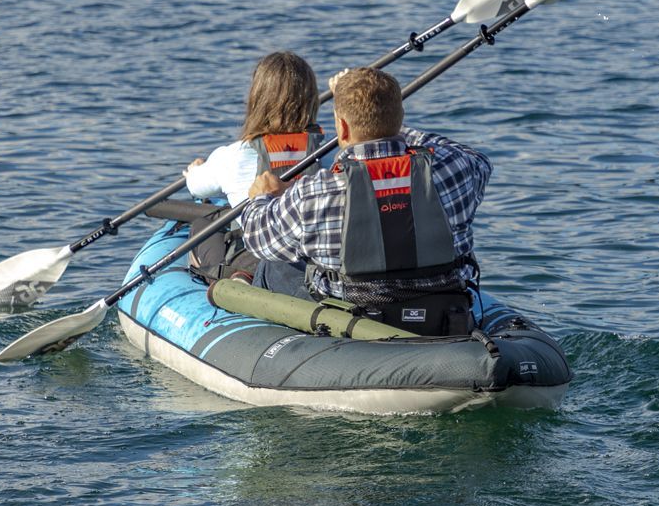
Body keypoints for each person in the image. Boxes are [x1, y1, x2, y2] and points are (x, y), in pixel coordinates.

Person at [240, 66, 492, 335]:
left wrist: (261, 197)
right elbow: (473, 157)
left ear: (343, 127)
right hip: (440, 311)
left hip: (354, 320)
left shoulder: (313, 192)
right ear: (400, 117)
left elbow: (256, 237)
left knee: (273, 265)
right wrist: (390, 122)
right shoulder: (456, 169)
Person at [183, 51, 324, 281]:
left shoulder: (232, 156)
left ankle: (234, 281)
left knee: (201, 226)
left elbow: (196, 187)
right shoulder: (326, 153)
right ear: (312, 100)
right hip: (313, 255)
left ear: (256, 100)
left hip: (259, 255)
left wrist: (195, 170)